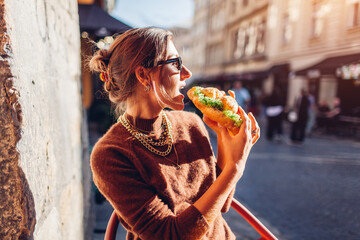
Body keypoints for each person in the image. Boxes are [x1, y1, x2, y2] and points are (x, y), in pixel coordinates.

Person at [88, 28, 260, 240]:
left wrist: (227, 139)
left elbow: (220, 205)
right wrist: (235, 167)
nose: (186, 73)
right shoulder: (110, 155)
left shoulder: (191, 123)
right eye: (176, 63)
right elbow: (170, 234)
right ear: (143, 75)